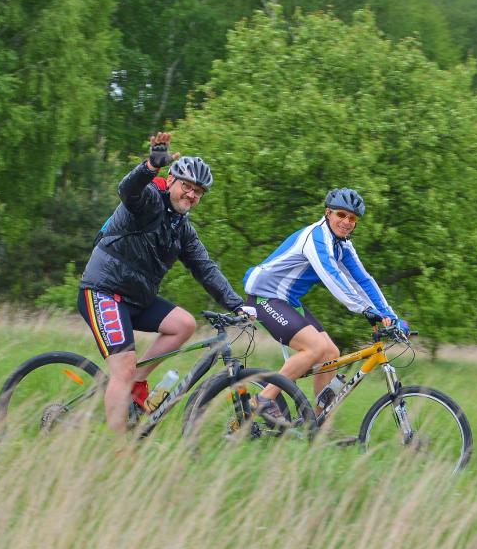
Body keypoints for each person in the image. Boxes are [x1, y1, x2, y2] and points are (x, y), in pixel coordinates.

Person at [78, 132, 255, 431]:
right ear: (171, 180)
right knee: (122, 368)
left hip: (137, 299)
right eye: (187, 186)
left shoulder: (182, 229)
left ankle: (136, 383)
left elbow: (205, 268)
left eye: (198, 192)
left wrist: (237, 305)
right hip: (104, 292)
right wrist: (150, 166)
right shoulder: (148, 201)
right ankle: (119, 448)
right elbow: (127, 190)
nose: (192, 195)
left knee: (184, 324)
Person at [243, 188, 407, 418]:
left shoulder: (343, 245)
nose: (347, 222)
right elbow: (332, 276)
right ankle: (263, 399)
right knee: (315, 348)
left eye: (352, 218)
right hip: (264, 296)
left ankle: (318, 423)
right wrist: (364, 309)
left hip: (287, 300)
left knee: (330, 352)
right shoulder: (316, 237)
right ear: (328, 213)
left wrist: (391, 315)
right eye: (341, 215)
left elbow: (363, 280)